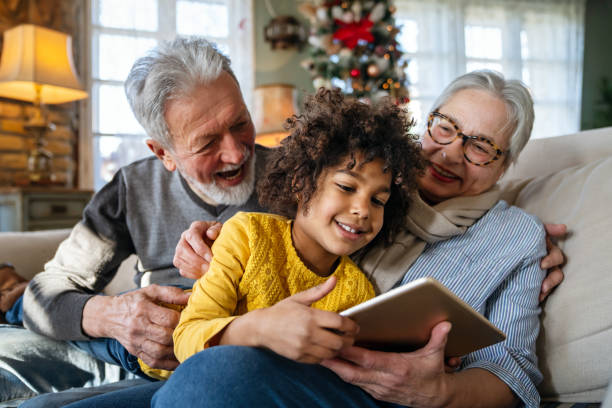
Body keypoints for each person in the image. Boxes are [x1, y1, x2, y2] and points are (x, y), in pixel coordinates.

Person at [147, 70, 555, 407]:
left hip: (376, 395)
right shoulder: (373, 176)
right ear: (426, 122)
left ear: (506, 165)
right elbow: (277, 235)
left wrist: (441, 392)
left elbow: (514, 370)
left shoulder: (515, 237)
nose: (450, 153)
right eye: (445, 128)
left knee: (210, 377)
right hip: (279, 364)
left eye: (481, 148)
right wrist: (212, 242)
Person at [0, 37, 268, 406]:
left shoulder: (303, 177)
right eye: (207, 143)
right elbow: (51, 290)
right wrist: (113, 316)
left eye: (240, 123)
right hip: (143, 361)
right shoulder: (133, 187)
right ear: (163, 152)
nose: (236, 152)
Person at [172, 89, 424, 368]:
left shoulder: (357, 291)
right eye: (346, 187)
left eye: (378, 200)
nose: (363, 210)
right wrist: (258, 329)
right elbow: (185, 339)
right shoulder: (247, 235)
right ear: (301, 184)